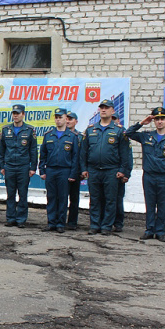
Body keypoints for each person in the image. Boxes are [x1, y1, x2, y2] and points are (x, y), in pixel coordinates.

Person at [126, 107, 165, 242]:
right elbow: (128, 133)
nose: (159, 122)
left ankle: (160, 231)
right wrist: (142, 123)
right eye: (157, 119)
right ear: (154, 121)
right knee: (150, 204)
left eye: (162, 119)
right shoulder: (146, 136)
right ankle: (149, 230)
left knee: (162, 204)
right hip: (149, 175)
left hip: (164, 176)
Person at [79, 99, 132, 235]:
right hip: (94, 170)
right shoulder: (91, 129)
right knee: (95, 199)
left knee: (110, 200)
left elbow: (125, 153)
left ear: (112, 111)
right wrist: (84, 168)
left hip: (111, 170)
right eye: (101, 108)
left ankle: (106, 226)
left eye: (107, 108)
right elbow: (84, 151)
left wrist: (122, 170)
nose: (103, 110)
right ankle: (95, 225)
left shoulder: (119, 130)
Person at [38, 108, 80, 233]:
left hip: (64, 171)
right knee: (51, 197)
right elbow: (43, 154)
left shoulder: (72, 136)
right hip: (51, 170)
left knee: (62, 198)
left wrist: (73, 173)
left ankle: (61, 224)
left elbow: (75, 157)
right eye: (56, 117)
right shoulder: (48, 135)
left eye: (60, 117)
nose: (58, 120)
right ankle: (51, 222)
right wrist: (42, 170)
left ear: (66, 119)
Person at [0, 104, 37, 227]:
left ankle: (21, 220)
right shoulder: (5, 130)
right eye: (14, 113)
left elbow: (33, 151)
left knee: (22, 194)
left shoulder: (30, 130)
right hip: (9, 166)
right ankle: (10, 218)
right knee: (10, 194)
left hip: (23, 167)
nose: (15, 115)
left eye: (18, 113)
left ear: (23, 115)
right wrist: (2, 166)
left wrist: (32, 168)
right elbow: (1, 150)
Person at [65, 111, 82, 229]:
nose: (68, 121)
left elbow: (82, 155)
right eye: (66, 119)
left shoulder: (80, 137)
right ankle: (59, 220)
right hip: (63, 171)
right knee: (60, 197)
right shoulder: (60, 134)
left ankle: (72, 222)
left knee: (74, 198)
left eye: (70, 119)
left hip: (75, 171)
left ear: (76, 122)